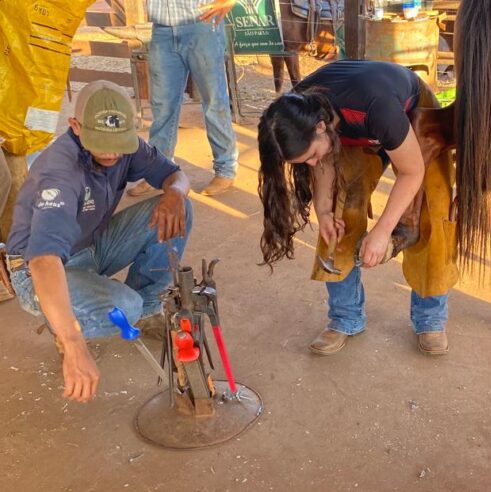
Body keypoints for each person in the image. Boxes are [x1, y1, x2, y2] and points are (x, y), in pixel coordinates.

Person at [5, 80, 193, 403]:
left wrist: (175, 192)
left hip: (90, 246)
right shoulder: (60, 172)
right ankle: (62, 322)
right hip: (39, 269)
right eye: (100, 142)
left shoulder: (125, 145)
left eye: (119, 143)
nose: (111, 152)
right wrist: (74, 342)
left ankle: (145, 310)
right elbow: (43, 260)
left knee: (181, 208)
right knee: (125, 306)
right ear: (75, 126)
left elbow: (175, 174)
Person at [257, 60, 458, 356]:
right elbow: (322, 161)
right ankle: (345, 317)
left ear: (321, 125)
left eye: (310, 155)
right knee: (341, 212)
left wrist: (382, 231)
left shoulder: (375, 107)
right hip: (353, 129)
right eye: (303, 163)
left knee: (433, 209)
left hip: (410, 112)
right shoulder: (297, 112)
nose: (311, 164)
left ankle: (430, 318)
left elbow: (411, 171)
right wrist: (323, 212)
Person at [128, 0, 239, 197]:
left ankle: (225, 168)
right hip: (162, 29)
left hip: (202, 24)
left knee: (214, 100)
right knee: (162, 106)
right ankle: (157, 171)